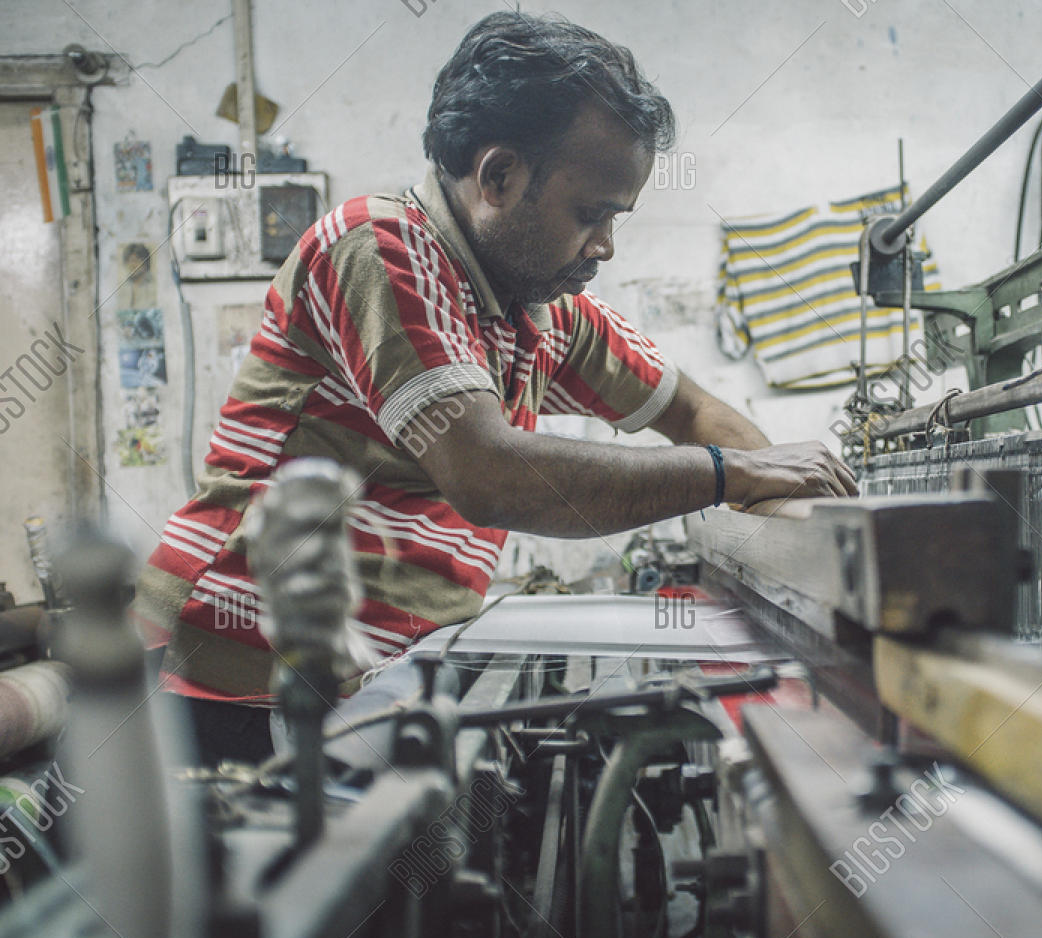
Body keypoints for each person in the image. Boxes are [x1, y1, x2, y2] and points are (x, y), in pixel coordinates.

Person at [133, 11, 856, 763]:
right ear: (499, 176)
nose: (605, 246)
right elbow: (488, 471)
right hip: (229, 687)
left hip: (377, 680)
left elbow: (694, 410)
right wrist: (731, 475)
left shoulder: (542, 308)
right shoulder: (378, 250)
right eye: (591, 214)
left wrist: (797, 527)